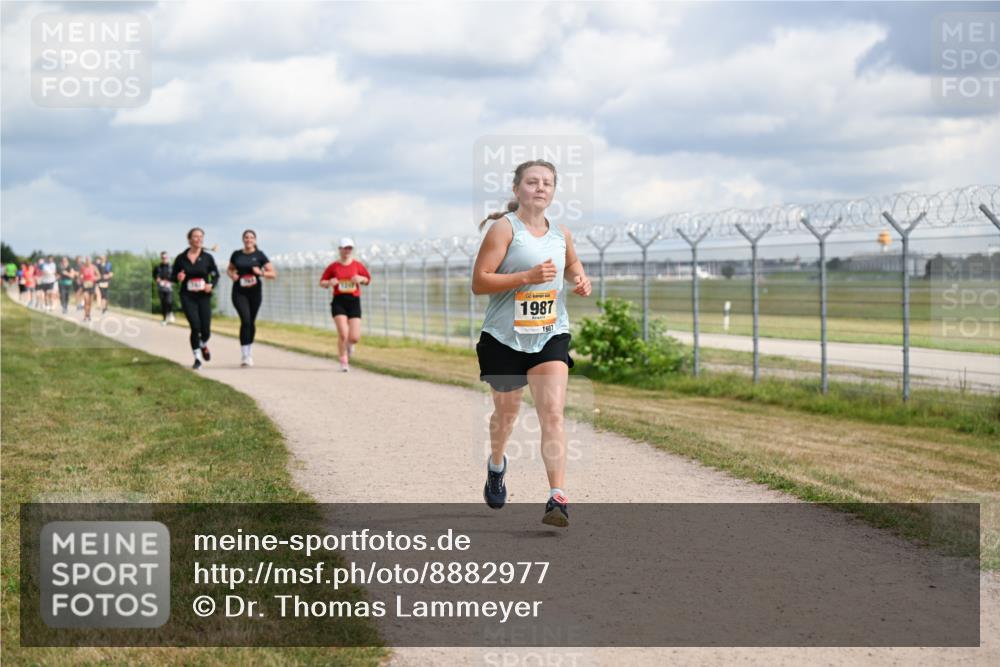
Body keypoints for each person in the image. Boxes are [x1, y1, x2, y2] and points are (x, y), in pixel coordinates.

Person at [471, 159, 592, 528]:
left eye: (547, 183)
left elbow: (572, 266)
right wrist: (526, 276)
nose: (540, 188)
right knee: (506, 415)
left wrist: (581, 279)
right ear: (516, 189)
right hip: (504, 338)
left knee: (552, 411)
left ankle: (557, 497)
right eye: (532, 182)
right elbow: (479, 282)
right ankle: (496, 465)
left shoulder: (561, 234)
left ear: (554, 191)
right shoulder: (503, 230)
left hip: (549, 333)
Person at [319, 237, 371, 372]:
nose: (347, 250)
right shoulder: (333, 266)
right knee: (343, 333)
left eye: (350, 248)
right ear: (340, 249)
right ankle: (343, 361)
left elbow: (368, 279)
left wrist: (361, 279)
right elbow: (322, 282)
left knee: (354, 337)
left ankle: (349, 345)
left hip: (354, 302)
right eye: (345, 248)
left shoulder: (357, 265)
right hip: (339, 301)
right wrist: (330, 282)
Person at [171, 228, 219, 370]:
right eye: (195, 237)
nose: (198, 239)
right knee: (195, 326)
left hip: (203, 296)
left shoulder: (207, 258)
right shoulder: (181, 258)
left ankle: (203, 344)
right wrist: (178, 278)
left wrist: (211, 284)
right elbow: (173, 276)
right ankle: (197, 358)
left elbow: (216, 275)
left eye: (201, 237)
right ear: (189, 239)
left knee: (206, 330)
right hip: (188, 296)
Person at [227, 230, 276, 367]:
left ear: (255, 240)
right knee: (246, 320)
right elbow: (229, 269)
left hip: (254, 293)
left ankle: (249, 351)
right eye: (246, 237)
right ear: (243, 239)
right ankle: (244, 355)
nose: (249, 240)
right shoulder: (236, 254)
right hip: (239, 292)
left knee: (251, 322)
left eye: (251, 237)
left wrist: (260, 273)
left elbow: (273, 273)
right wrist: (232, 275)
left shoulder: (259, 255)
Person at [152, 251, 175, 325]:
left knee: (169, 301)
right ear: (161, 258)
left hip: (169, 288)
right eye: (162, 257)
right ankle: (164, 319)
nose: (164, 259)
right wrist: (157, 279)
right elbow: (154, 275)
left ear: (167, 257)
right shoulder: (158, 267)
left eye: (165, 257)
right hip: (161, 288)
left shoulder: (171, 267)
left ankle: (170, 313)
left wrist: (171, 281)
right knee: (163, 304)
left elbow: (174, 277)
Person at [78, 257, 100, 322]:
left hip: (92, 285)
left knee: (90, 302)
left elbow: (99, 276)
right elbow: (79, 275)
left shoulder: (94, 267)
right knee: (86, 300)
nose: (87, 262)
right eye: (86, 260)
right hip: (85, 285)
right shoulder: (83, 267)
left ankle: (88, 314)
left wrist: (94, 278)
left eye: (88, 260)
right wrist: (81, 279)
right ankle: (85, 315)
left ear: (90, 261)